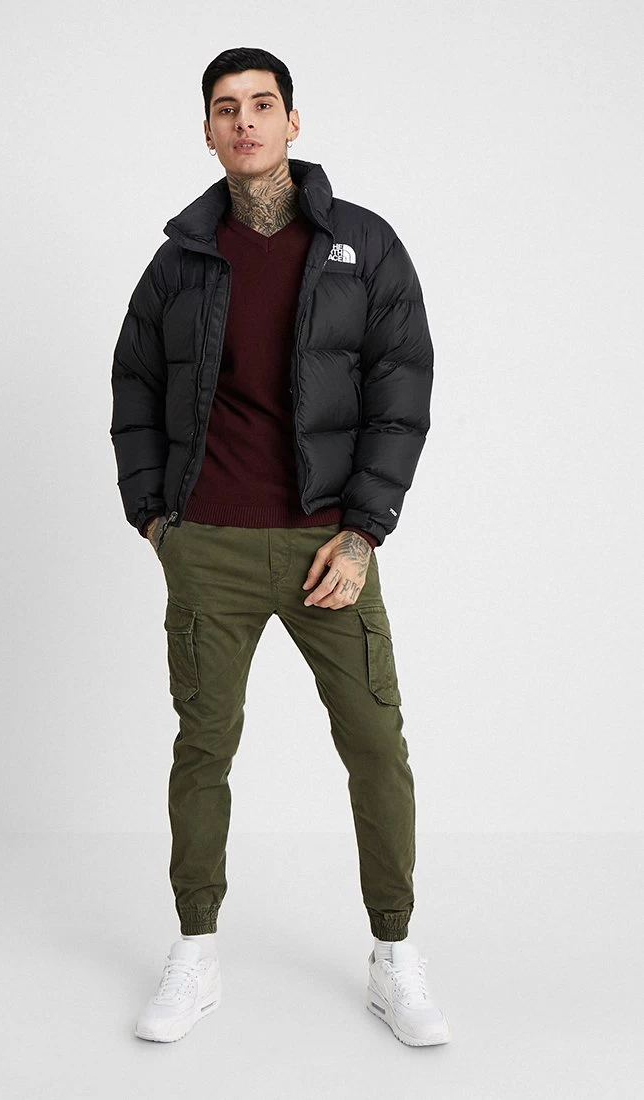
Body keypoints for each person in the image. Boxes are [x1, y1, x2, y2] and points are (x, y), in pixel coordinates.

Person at [110, 46, 451, 1047]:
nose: (246, 122)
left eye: (263, 105)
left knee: (376, 744)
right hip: (209, 544)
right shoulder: (180, 260)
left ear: (293, 122)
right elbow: (134, 382)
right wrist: (154, 517)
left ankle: (394, 954)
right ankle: (195, 948)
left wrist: (364, 531)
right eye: (227, 109)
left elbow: (401, 388)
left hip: (327, 549)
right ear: (208, 132)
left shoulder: (362, 246)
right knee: (203, 748)